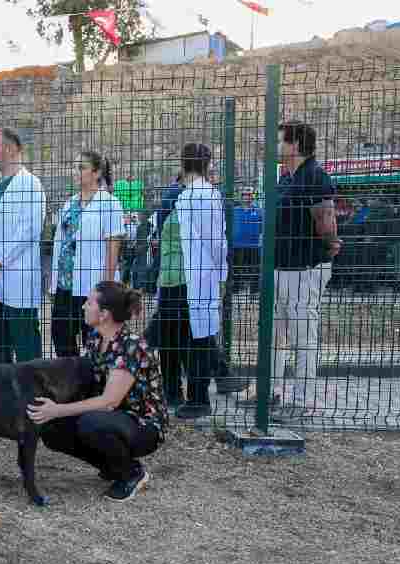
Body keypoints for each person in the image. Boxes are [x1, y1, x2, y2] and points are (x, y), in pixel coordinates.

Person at [27, 281, 167, 502]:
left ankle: (131, 473)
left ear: (104, 314)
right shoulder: (95, 338)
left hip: (144, 425)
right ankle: (113, 466)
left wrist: (58, 409)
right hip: (113, 418)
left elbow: (108, 402)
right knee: (53, 429)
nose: (84, 306)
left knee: (90, 423)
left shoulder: (130, 346)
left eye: (89, 303)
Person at [242, 121, 341, 417]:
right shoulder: (286, 177)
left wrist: (331, 245)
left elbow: (326, 220)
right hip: (279, 269)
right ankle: (269, 391)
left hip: (303, 270)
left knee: (302, 337)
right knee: (273, 335)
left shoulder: (315, 176)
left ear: (295, 145)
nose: (274, 146)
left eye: (280, 140)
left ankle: (303, 401)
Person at [144, 144, 227, 420]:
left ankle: (199, 398)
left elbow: (215, 243)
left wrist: (219, 275)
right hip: (177, 280)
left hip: (194, 279)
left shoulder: (202, 194)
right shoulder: (187, 195)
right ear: (208, 164)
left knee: (197, 339)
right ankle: (177, 393)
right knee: (175, 340)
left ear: (182, 164)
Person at [0, 127, 45, 364]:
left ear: (11, 150)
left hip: (17, 276)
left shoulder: (31, 184)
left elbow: (29, 230)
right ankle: (2, 386)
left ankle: (34, 386)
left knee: (25, 343)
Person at [47, 151, 125, 357]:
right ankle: (71, 376)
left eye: (81, 167)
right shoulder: (69, 204)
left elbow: (113, 248)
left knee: (94, 344)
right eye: (74, 167)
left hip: (92, 288)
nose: (75, 171)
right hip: (65, 286)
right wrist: (54, 284)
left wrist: (107, 290)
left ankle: (94, 378)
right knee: (60, 336)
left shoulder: (109, 204)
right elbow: (60, 244)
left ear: (97, 172)